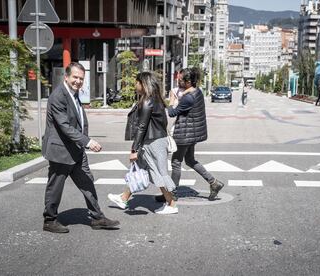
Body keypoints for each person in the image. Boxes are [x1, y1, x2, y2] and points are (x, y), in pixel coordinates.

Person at [42, 62, 120, 233]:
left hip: (76, 150)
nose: (78, 81)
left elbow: (77, 120)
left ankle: (97, 217)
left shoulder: (73, 93)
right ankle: (49, 220)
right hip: (61, 150)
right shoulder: (58, 96)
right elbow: (64, 126)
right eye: (75, 77)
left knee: (87, 182)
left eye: (81, 78)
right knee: (55, 187)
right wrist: (87, 141)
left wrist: (82, 143)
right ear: (67, 77)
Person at [107, 71, 178, 214]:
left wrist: (134, 149)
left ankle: (171, 204)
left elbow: (142, 126)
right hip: (154, 140)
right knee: (139, 169)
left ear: (143, 84)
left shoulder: (148, 100)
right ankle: (124, 198)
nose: (135, 85)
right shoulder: (156, 99)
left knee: (158, 172)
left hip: (153, 142)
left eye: (137, 82)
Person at [156, 68, 224, 202]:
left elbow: (172, 113)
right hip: (192, 133)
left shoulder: (188, 98)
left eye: (180, 79)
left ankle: (171, 193)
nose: (178, 81)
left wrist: (171, 101)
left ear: (187, 82)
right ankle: (214, 182)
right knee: (190, 160)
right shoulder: (196, 91)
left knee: (176, 162)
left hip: (185, 134)